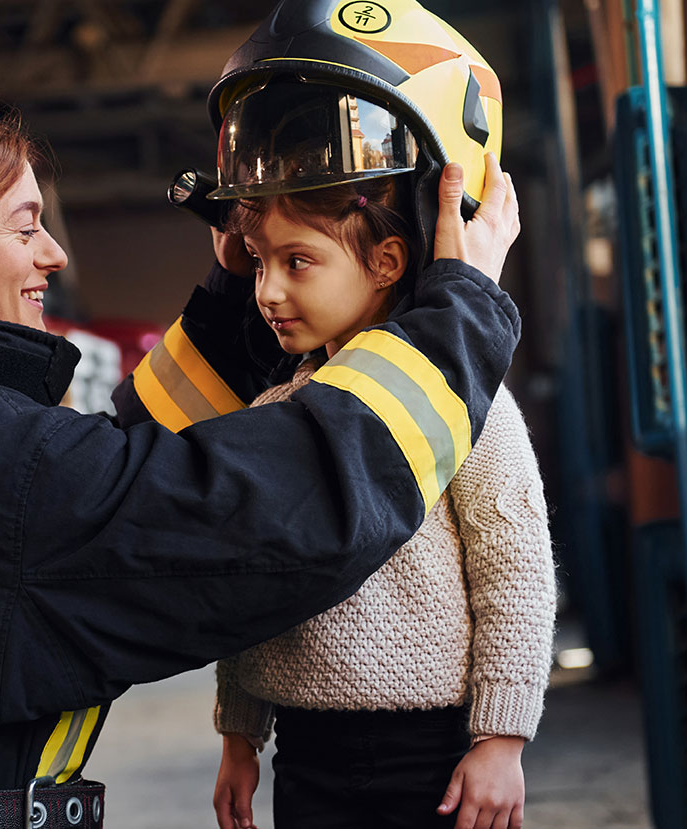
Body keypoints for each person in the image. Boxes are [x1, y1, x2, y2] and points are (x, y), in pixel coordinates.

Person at [0, 94, 519, 825]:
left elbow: (111, 473)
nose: (55, 253)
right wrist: (462, 312)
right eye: (25, 225)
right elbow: (273, 513)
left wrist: (237, 295)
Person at [179, 4, 552, 829]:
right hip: (305, 754)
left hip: (435, 756)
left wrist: (502, 739)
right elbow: (256, 583)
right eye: (261, 263)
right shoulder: (280, 408)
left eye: (298, 262)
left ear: (388, 258)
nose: (267, 290)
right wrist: (241, 734)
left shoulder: (469, 411)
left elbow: (515, 569)